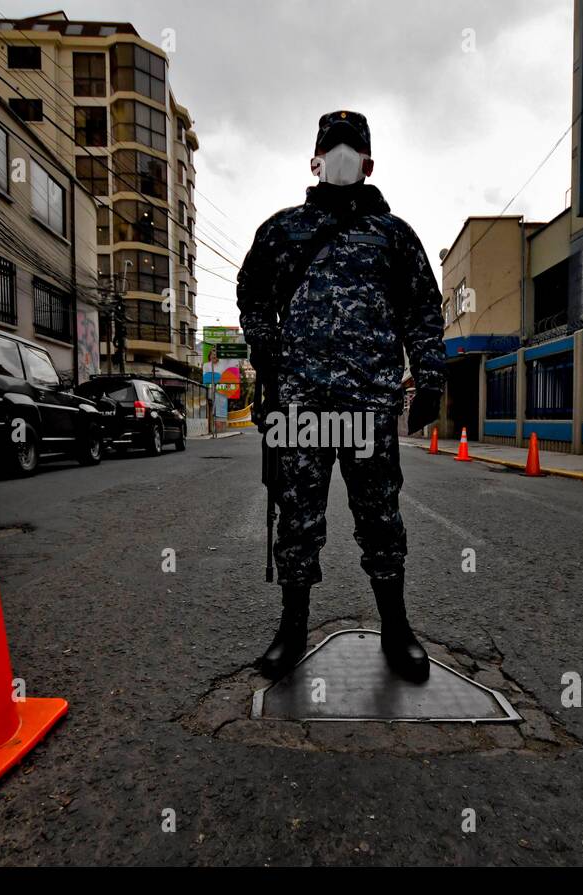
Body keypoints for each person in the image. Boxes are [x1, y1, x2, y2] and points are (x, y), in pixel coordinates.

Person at [236, 110, 445, 682]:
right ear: (316, 160)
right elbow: (252, 295)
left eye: (353, 148)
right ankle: (292, 626)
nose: (344, 156)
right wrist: (266, 351)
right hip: (300, 406)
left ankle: (397, 629)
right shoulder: (283, 231)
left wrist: (430, 375)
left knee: (380, 519)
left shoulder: (394, 235)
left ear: (370, 163)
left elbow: (424, 310)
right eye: (335, 147)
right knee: (297, 518)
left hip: (369, 407)